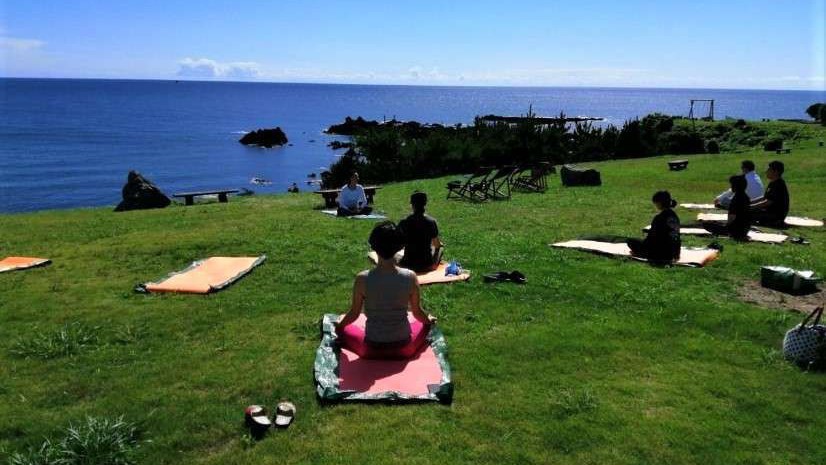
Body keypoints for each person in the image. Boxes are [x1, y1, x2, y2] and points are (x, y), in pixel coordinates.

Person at [335, 222, 435, 358]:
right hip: (405, 349)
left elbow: (354, 314)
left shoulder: (362, 279)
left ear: (374, 247)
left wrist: (339, 326)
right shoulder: (410, 277)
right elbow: (417, 313)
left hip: (371, 350)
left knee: (342, 327)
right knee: (426, 325)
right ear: (400, 247)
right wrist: (428, 320)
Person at [628, 191, 681, 263]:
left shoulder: (659, 218)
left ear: (659, 203)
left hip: (658, 253)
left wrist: (641, 250)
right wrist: (676, 253)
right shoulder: (675, 216)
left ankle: (643, 254)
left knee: (631, 241)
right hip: (671, 253)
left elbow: (651, 239)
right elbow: (676, 237)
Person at [398, 192, 443, 273]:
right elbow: (437, 244)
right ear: (425, 204)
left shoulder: (404, 222)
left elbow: (398, 244)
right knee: (440, 247)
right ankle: (434, 265)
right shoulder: (431, 222)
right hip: (426, 264)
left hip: (407, 263)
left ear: (412, 204)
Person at [703, 175, 752, 240]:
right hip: (745, 229)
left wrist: (726, 227)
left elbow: (732, 217)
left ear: (735, 186)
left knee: (706, 224)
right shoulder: (746, 197)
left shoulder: (736, 198)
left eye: (732, 185)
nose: (731, 187)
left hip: (735, 230)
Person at [750, 160, 789, 227]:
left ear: (776, 172)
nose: (766, 172)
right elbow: (765, 197)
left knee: (746, 213)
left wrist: (751, 207)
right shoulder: (773, 182)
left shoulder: (779, 184)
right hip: (768, 211)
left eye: (768, 170)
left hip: (775, 215)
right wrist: (750, 202)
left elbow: (768, 202)